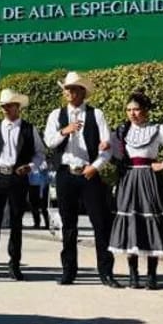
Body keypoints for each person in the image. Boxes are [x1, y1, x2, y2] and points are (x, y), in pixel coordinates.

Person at [44, 71, 121, 288]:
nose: (68, 93)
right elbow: (49, 142)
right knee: (68, 225)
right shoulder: (55, 115)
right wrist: (64, 131)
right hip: (66, 173)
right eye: (66, 89)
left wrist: (95, 167)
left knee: (100, 223)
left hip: (89, 173)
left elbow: (107, 146)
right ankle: (69, 271)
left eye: (73, 89)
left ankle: (106, 272)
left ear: (82, 92)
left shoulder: (96, 115)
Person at [107, 90, 163, 290]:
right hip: (128, 179)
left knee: (152, 222)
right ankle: (133, 275)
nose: (132, 113)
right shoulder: (121, 131)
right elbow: (113, 154)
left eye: (136, 109)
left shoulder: (158, 129)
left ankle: (151, 275)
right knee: (131, 222)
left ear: (145, 110)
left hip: (149, 179)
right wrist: (106, 148)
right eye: (129, 110)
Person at [0, 89, 45, 281]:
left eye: (9, 105)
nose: (5, 109)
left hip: (18, 176)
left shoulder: (29, 129)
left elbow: (40, 153)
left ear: (18, 107)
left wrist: (30, 167)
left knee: (16, 222)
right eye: (3, 106)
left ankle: (14, 265)